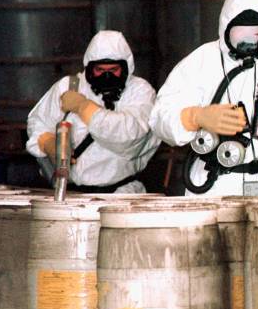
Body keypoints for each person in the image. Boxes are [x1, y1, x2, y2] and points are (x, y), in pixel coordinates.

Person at [150, 0, 258, 196]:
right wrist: (196, 117)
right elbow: (159, 117)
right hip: (214, 185)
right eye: (240, 33)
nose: (248, 40)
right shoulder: (199, 63)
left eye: (255, 33)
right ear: (225, 28)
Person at [26, 30, 161, 193]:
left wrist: (85, 108)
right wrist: (47, 143)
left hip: (121, 196)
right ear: (89, 67)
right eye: (100, 70)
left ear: (125, 67)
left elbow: (129, 139)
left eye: (113, 70)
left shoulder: (140, 92)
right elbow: (38, 122)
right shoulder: (69, 87)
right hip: (69, 194)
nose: (106, 76)